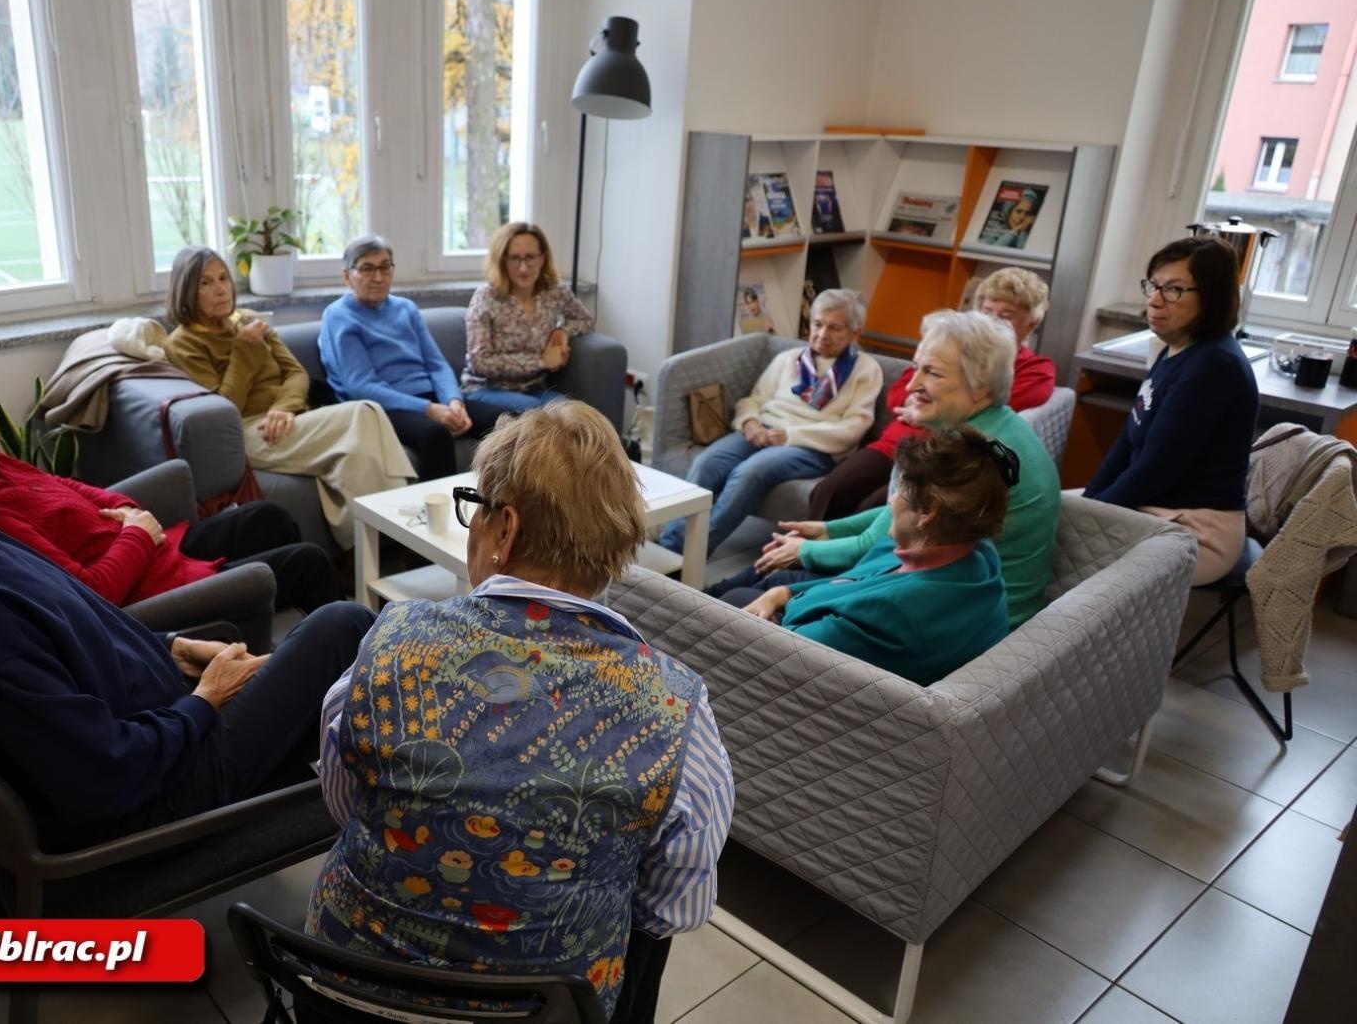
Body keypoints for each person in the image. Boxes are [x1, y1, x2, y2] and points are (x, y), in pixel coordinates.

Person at [306, 400, 733, 1023]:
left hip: (345, 994)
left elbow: (345, 806)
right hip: (542, 1008)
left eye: (474, 509)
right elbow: (676, 907)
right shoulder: (677, 710)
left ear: (504, 529)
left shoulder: (388, 646)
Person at [0, 390, 375, 849]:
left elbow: (78, 622)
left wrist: (173, 647)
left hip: (155, 721)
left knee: (325, 673)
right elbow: (105, 776)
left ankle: (369, 793)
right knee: (343, 626)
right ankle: (395, 818)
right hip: (158, 794)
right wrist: (206, 700)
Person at [0, 354, 341, 618]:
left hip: (154, 550)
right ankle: (355, 684)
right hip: (149, 591)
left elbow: (74, 488)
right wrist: (136, 533)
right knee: (309, 564)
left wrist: (129, 516)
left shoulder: (0, 467)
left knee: (268, 516)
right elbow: (92, 593)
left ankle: (278, 631)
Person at [716, 310, 1060, 630]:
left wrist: (804, 549)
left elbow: (876, 543)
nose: (910, 386)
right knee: (768, 576)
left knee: (763, 583)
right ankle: (696, 606)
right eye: (916, 368)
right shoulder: (991, 429)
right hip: (951, 589)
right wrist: (825, 528)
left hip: (961, 612)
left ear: (981, 385)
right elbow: (894, 514)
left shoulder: (964, 457)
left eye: (933, 373)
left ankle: (696, 612)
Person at [162, 245, 415, 549]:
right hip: (245, 431)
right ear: (186, 290)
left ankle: (367, 550)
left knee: (358, 449)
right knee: (364, 412)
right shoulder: (183, 343)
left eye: (223, 278)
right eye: (206, 283)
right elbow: (223, 409)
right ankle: (397, 535)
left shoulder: (248, 322)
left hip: (285, 419)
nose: (220, 289)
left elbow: (296, 373)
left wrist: (284, 408)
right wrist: (243, 351)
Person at [723, 428, 1013, 684]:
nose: (890, 500)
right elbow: (855, 582)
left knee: (728, 606)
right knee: (765, 583)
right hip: (829, 639)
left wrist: (782, 606)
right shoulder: (974, 554)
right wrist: (781, 593)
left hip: (807, 680)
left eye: (900, 491)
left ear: (926, 513)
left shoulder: (897, 612)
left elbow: (796, 649)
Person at [807, 267, 1057, 521]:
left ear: (1031, 324)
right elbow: (897, 394)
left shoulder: (1034, 370)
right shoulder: (949, 347)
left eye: (1005, 316)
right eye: (986, 312)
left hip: (941, 454)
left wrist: (924, 410)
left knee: (877, 512)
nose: (991, 322)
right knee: (829, 492)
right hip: (896, 443)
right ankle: (804, 554)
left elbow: (989, 402)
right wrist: (926, 402)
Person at [1084, 237, 1258, 585]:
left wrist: (1087, 518)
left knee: (1054, 541)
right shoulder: (1177, 348)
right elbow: (1127, 446)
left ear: (1211, 297)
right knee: (1039, 514)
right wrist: (1089, 503)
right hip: (1159, 507)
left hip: (1197, 529)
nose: (1154, 299)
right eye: (1153, 285)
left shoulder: (1213, 365)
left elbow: (1155, 470)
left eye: (1174, 289)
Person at [658, 290, 882, 557]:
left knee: (750, 473)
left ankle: (689, 554)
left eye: (834, 328)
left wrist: (788, 435)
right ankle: (668, 547)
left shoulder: (866, 370)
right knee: (708, 463)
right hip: (762, 429)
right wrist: (750, 423)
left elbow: (853, 428)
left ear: (855, 333)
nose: (822, 334)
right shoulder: (789, 358)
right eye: (817, 324)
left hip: (813, 447)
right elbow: (754, 400)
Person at [318, 235, 507, 481]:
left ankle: (501, 505)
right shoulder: (338, 317)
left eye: (385, 267)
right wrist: (429, 410)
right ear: (347, 276)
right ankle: (440, 513)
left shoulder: (405, 308)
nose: (378, 277)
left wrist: (453, 402)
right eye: (367, 268)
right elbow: (361, 386)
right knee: (435, 434)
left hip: (432, 399)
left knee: (503, 420)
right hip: (383, 408)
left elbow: (436, 364)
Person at [461, 221, 595, 413]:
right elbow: (480, 362)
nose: (523, 268)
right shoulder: (486, 296)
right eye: (514, 258)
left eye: (531, 257)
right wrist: (541, 363)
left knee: (574, 413)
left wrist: (562, 331)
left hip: (534, 388)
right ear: (502, 260)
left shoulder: (555, 291)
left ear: (542, 258)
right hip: (485, 389)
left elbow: (585, 320)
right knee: (536, 415)